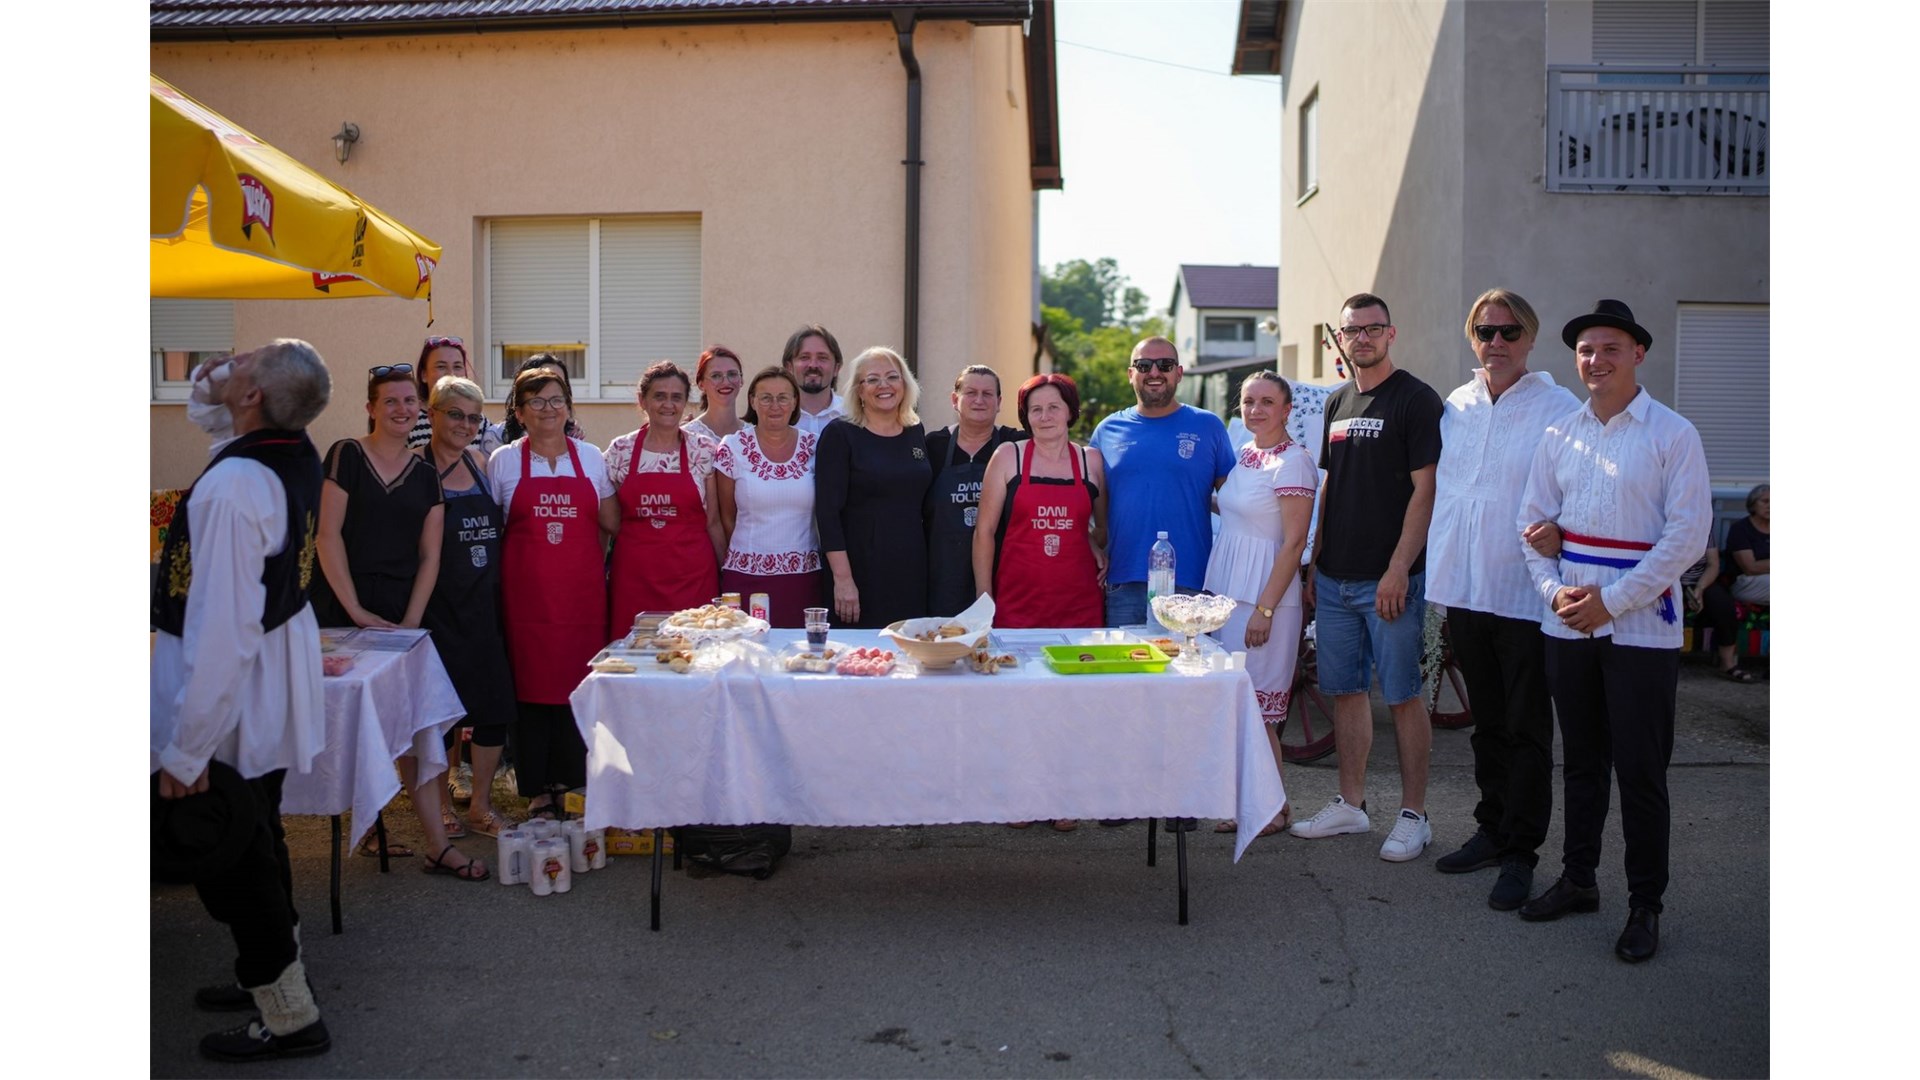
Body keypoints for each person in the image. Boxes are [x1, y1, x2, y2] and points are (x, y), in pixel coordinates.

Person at [152, 340, 333, 1061]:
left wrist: (187, 746)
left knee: (232, 858)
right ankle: (275, 970)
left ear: (255, 397)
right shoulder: (287, 446)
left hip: (233, 690)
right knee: (257, 828)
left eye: (246, 362)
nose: (235, 357)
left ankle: (287, 1014)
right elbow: (220, 422)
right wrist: (216, 383)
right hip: (268, 676)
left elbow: (221, 630)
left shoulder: (234, 489)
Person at [1515, 299, 1711, 964]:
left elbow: (1687, 536)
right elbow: (1532, 527)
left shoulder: (1672, 433)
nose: (1595, 361)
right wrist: (1555, 592)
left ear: (1637, 355)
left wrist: (1614, 602)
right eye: (1586, 350)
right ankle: (1578, 879)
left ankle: (1644, 905)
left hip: (1641, 632)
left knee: (1641, 772)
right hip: (1568, 625)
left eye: (1610, 349)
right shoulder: (1559, 435)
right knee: (1583, 764)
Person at [1424, 289, 1580, 907]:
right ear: (1472, 338)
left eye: (1510, 332)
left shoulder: (1558, 406)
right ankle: (1491, 829)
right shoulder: (1457, 404)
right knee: (1486, 725)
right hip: (1464, 586)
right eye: (1486, 331)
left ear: (1530, 339)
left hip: (1523, 591)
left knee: (1526, 729)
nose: (1497, 343)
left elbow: (1583, 483)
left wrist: (1564, 530)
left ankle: (1522, 851)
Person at [312, 364, 488, 879]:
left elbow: (430, 556)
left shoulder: (426, 473)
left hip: (404, 614)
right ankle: (366, 828)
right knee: (349, 723)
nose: (401, 410)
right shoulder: (346, 454)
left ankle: (437, 845)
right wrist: (356, 611)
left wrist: (409, 623)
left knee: (416, 728)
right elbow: (328, 537)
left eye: (409, 402)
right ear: (370, 408)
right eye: (390, 402)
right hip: (340, 607)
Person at [1289, 293, 1445, 863]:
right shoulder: (1336, 402)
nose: (1362, 338)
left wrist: (1399, 568)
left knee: (1403, 695)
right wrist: (1314, 563)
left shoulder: (1416, 400)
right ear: (1341, 337)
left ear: (1391, 333)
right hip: (1333, 579)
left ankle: (1414, 816)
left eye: (1372, 328)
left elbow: (1425, 490)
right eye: (1352, 330)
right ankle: (1351, 805)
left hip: (1390, 580)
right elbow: (1332, 486)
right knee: (1345, 691)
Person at [972, 373, 1107, 832]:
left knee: (1071, 702)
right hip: (1018, 601)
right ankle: (1022, 796)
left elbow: (1100, 528)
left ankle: (1064, 795)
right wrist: (984, 597)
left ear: (1070, 411)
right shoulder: (1008, 456)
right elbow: (984, 532)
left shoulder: (1091, 463)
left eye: (1054, 407)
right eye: (1036, 410)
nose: (1045, 417)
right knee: (1021, 700)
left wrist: (1094, 545)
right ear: (1025, 418)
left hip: (1078, 603)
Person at [490, 366, 618, 820]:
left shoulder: (591, 458)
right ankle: (537, 790)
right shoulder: (503, 461)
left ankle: (570, 782)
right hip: (526, 603)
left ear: (569, 407)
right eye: (537, 402)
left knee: (576, 688)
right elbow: (496, 530)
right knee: (529, 691)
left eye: (557, 399)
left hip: (581, 601)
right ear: (520, 413)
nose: (549, 409)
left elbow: (611, 523)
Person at [1203, 372, 1316, 837]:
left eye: (1267, 402)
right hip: (1230, 594)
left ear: (1287, 409)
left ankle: (1274, 808)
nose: (1256, 410)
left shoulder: (1294, 463)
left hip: (1266, 600)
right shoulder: (1246, 455)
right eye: (1249, 401)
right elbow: (1235, 512)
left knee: (1262, 713)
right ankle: (1253, 803)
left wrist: (1265, 610)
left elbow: (1292, 544)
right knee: (1238, 708)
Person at [417, 376, 518, 838]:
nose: (464, 424)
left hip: (484, 606)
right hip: (437, 610)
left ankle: (480, 805)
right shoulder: (415, 471)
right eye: (455, 414)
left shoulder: (482, 463)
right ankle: (440, 808)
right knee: (439, 717)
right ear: (432, 414)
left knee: (493, 709)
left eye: (474, 418)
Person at [1089, 337, 1235, 627]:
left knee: (1189, 670)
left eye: (1165, 365)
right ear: (1131, 374)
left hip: (1191, 583)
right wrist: (1091, 545)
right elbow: (1093, 510)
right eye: (1144, 365)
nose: (1154, 372)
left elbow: (1236, 503)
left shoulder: (1208, 426)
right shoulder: (1107, 430)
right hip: (1124, 581)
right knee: (1128, 671)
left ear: (1178, 373)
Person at [604, 360, 725, 637]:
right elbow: (605, 521)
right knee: (634, 660)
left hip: (693, 578)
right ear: (642, 400)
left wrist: (725, 575)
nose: (668, 405)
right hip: (634, 579)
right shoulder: (620, 450)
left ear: (686, 403)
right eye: (659, 396)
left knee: (694, 659)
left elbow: (714, 522)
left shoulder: (704, 449)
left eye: (676, 397)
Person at [815, 346, 933, 628]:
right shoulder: (840, 434)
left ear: (905, 384)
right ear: (858, 389)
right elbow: (827, 514)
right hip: (859, 571)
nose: (884, 386)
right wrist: (843, 581)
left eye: (892, 377)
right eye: (872, 379)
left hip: (910, 568)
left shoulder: (915, 431)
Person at [713, 367, 826, 627]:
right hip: (745, 577)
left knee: (801, 658)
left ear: (795, 401)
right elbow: (726, 517)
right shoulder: (733, 447)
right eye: (765, 397)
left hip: (804, 578)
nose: (774, 405)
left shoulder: (816, 446)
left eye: (783, 397)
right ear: (752, 401)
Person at [924, 365, 1023, 616]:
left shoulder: (1017, 445)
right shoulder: (931, 446)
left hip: (1003, 574)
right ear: (955, 399)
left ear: (999, 402)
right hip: (942, 576)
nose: (979, 400)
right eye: (971, 393)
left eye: (988, 394)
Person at [407, 335, 496, 455]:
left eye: (457, 366)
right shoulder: (408, 419)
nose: (451, 374)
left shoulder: (480, 422)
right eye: (441, 367)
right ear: (424, 374)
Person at [492, 353, 588, 448]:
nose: (548, 407)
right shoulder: (496, 438)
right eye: (545, 380)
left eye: (559, 382)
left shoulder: (575, 438)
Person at [782, 323, 849, 436]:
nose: (813, 365)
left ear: (836, 368)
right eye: (804, 357)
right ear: (789, 367)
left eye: (822, 358)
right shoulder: (775, 416)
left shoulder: (854, 416)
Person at [685, 344, 748, 444]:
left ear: (741, 380)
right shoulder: (687, 436)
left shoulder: (754, 436)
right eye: (716, 376)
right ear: (701, 384)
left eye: (732, 374)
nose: (726, 382)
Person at [1725, 483, 1769, 605]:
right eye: (1765, 501)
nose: (1770, 506)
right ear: (1753, 504)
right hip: (1745, 582)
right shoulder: (1740, 529)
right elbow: (1751, 568)